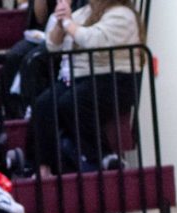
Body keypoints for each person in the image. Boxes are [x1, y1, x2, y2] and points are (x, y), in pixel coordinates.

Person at [27, 0, 143, 176]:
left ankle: (102, 156)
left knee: (72, 101)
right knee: (43, 104)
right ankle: (43, 167)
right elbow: (53, 45)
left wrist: (68, 23)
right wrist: (60, 24)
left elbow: (94, 41)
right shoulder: (83, 13)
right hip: (82, 78)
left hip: (116, 79)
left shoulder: (122, 14)